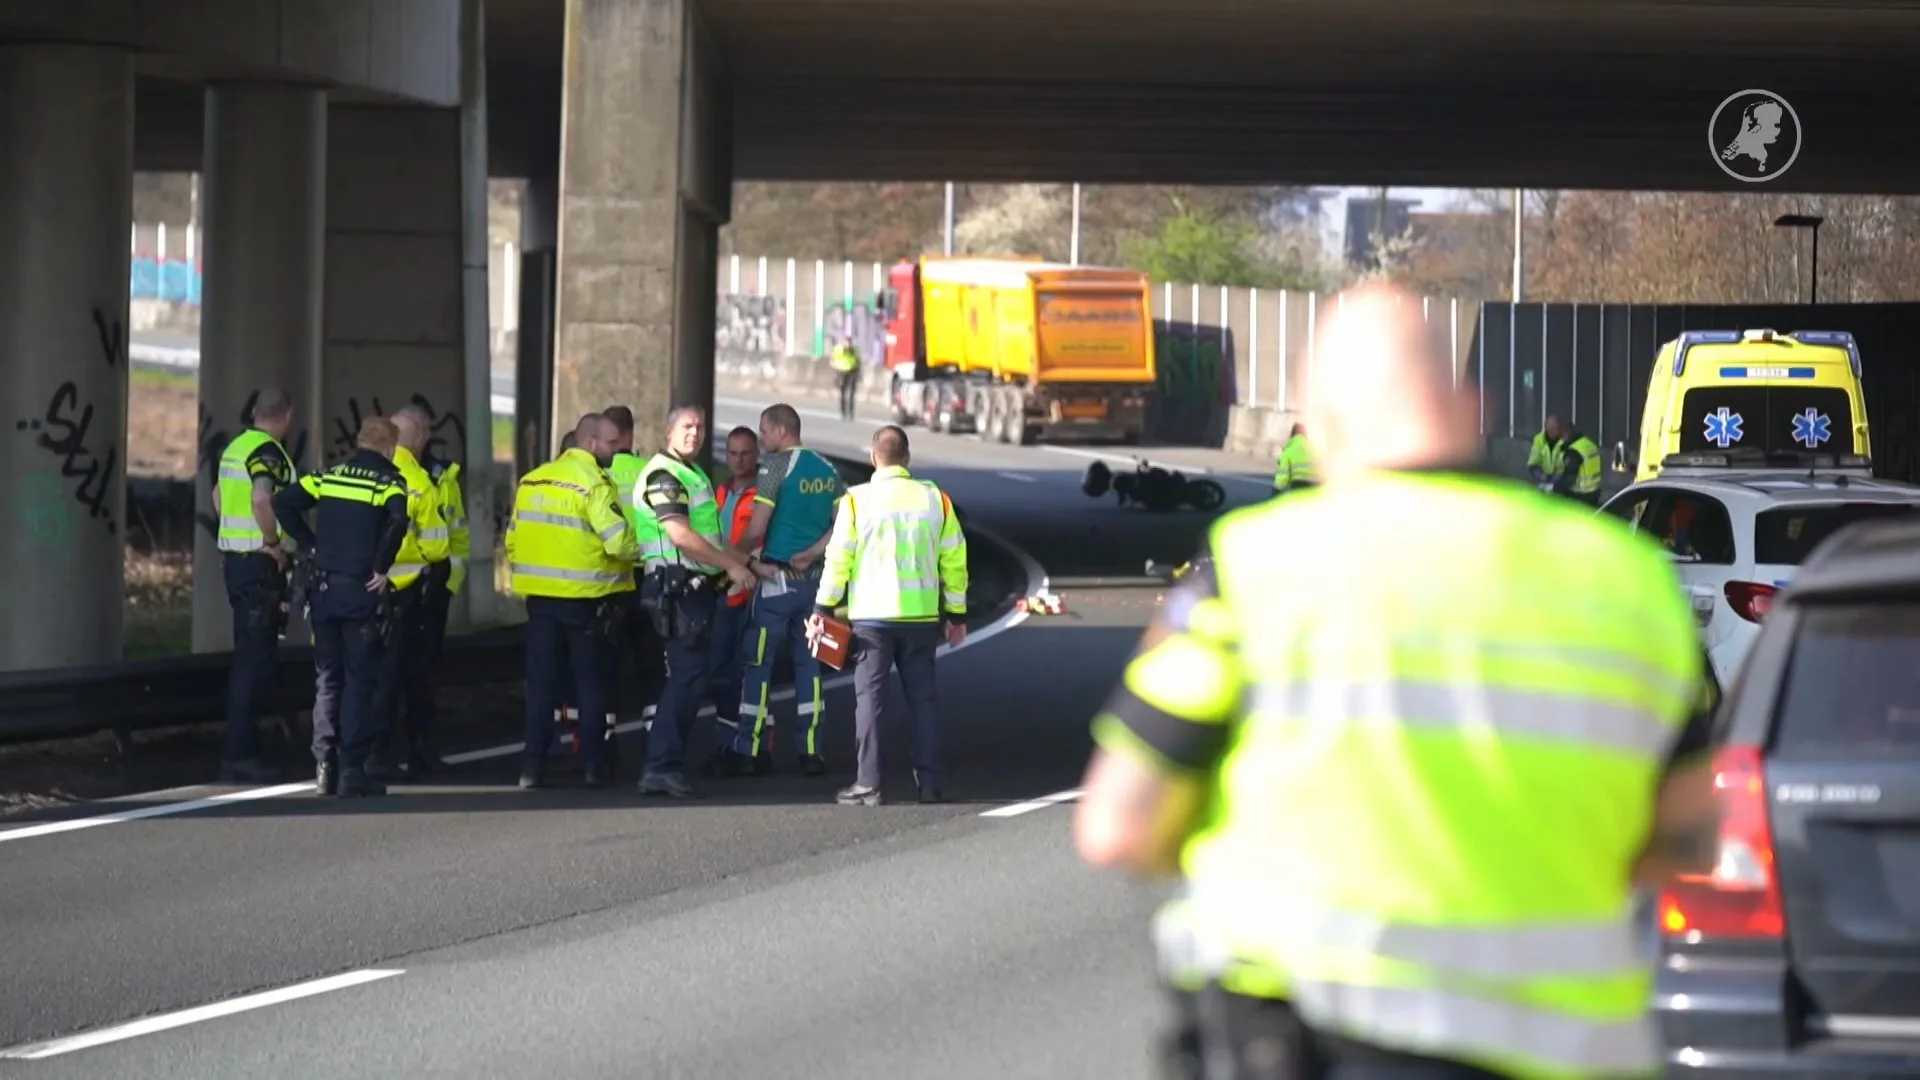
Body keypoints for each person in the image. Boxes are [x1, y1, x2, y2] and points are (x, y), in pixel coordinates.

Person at [1072, 282, 1720, 1080]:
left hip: (1305, 1041)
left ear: (1326, 425)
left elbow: (1118, 828)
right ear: (1469, 405)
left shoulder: (1254, 569)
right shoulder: (1631, 581)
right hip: (1567, 1053)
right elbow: (1692, 837)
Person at [808, 426, 968, 806]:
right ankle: (929, 785)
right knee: (923, 702)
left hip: (872, 621)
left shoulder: (855, 501)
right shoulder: (936, 500)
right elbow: (955, 560)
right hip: (921, 618)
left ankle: (869, 785)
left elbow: (838, 559)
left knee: (870, 701)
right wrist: (957, 612)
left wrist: (822, 608)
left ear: (873, 458)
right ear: (908, 459)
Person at [272, 416, 411, 798]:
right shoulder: (388, 481)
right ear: (389, 448)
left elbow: (282, 502)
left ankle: (324, 766)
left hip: (323, 589)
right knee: (359, 679)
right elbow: (399, 520)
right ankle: (352, 768)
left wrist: (310, 543)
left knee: (327, 678)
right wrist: (382, 567)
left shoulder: (328, 475)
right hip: (360, 592)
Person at [506, 412, 640, 789]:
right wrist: (644, 552)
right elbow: (617, 542)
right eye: (612, 445)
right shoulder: (594, 483)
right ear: (592, 443)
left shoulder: (532, 481)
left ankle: (532, 768)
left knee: (542, 686)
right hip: (586, 601)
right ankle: (594, 767)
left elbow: (513, 541)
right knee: (590, 686)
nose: (616, 451)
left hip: (540, 601)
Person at [634, 405, 757, 798]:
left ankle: (665, 763)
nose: (695, 433)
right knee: (686, 677)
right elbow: (682, 536)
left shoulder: (694, 473)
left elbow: (713, 540)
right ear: (669, 431)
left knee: (692, 677)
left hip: (695, 590)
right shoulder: (664, 475)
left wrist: (749, 564)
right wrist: (732, 568)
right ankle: (660, 765)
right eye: (687, 426)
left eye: (700, 427)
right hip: (676, 590)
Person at [721, 404, 845, 777]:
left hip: (777, 582)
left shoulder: (774, 468)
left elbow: (757, 529)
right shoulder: (828, 469)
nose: (761, 439)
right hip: (817, 586)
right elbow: (843, 526)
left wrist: (733, 557)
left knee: (758, 665)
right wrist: (812, 553)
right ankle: (811, 752)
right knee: (811, 667)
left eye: (763, 431)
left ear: (780, 431)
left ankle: (750, 748)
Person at [212, 387, 298, 784]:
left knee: (249, 658)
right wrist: (272, 543)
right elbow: (263, 500)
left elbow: (217, 496)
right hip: (260, 566)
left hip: (235, 563)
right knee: (253, 663)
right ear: (287, 416)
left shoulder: (234, 448)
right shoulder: (268, 452)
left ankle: (243, 750)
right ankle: (240, 755)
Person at [364, 408, 451, 780]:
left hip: (363, 590)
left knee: (367, 673)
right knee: (406, 675)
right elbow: (436, 547)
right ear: (417, 441)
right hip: (408, 594)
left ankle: (363, 750)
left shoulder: (363, 473)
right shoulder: (420, 482)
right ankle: (399, 751)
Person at [699, 425, 760, 775]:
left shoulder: (763, 496)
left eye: (745, 453)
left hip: (751, 591)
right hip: (723, 590)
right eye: (733, 453)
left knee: (750, 671)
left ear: (756, 455)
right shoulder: (720, 491)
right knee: (722, 673)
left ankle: (753, 748)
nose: (738, 460)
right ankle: (727, 744)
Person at [1555, 424, 1604, 507]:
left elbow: (1569, 478)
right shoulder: (1588, 443)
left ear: (1567, 434)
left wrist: (1555, 490)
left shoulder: (1574, 451)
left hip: (1581, 495)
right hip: (1595, 492)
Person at [1270, 422, 1316, 497]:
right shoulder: (1314, 449)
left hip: (1297, 486)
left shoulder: (1288, 452)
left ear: (1292, 435)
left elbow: (1282, 478)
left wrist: (1276, 492)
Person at [1527, 413, 1566, 489]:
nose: (1552, 432)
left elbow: (1569, 467)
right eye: (1550, 430)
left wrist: (1557, 482)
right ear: (1546, 428)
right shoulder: (1539, 439)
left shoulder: (1565, 440)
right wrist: (1542, 477)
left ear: (1560, 429)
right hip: (1544, 479)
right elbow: (1533, 464)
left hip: (1561, 481)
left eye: (1555, 429)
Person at [829, 335, 861, 420]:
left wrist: (858, 374)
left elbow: (858, 362)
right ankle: (843, 412)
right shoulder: (839, 350)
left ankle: (851, 413)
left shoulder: (854, 351)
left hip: (852, 372)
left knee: (851, 394)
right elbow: (832, 360)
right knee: (843, 393)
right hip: (842, 373)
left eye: (850, 343)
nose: (848, 345)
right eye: (847, 343)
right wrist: (836, 370)